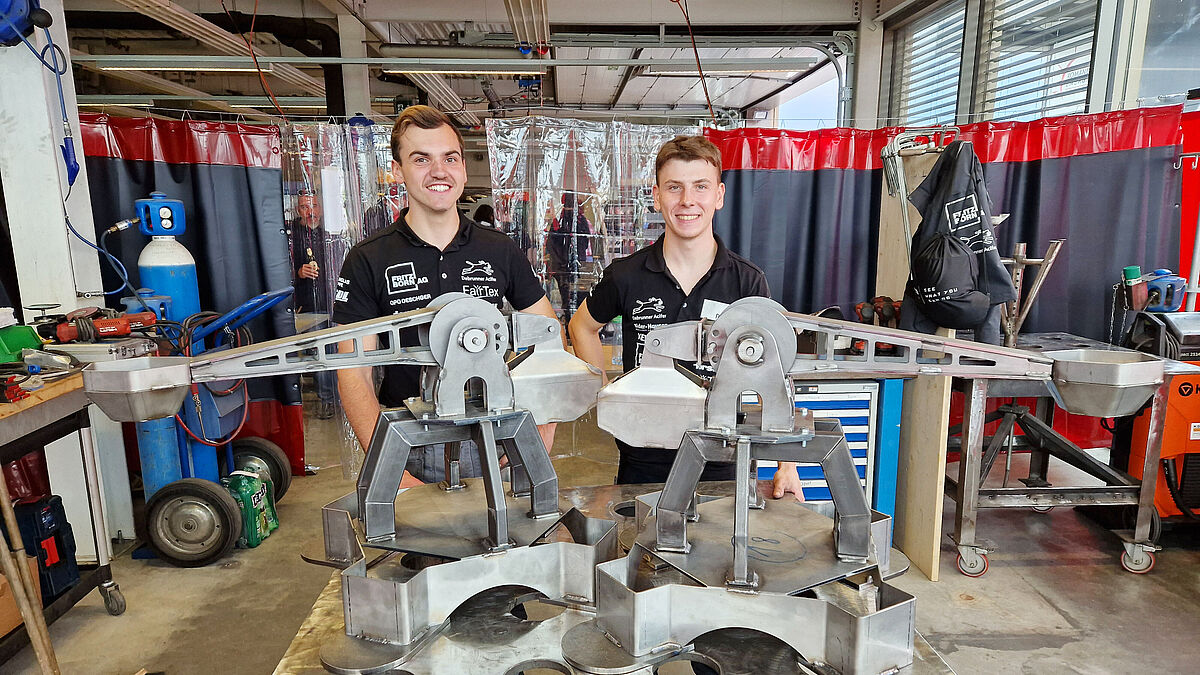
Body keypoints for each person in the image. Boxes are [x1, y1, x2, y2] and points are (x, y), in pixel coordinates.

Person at [332, 105, 559, 488]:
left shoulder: (499, 250)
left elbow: (549, 338)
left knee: (511, 543)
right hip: (408, 442)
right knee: (425, 548)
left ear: (463, 167)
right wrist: (390, 467)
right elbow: (352, 370)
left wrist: (543, 427)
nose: (439, 171)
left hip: (498, 432)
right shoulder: (369, 258)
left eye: (449, 158)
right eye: (421, 159)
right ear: (398, 169)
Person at [568, 135, 804, 501]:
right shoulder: (626, 274)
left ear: (719, 195)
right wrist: (605, 394)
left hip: (724, 455)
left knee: (721, 552)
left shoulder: (746, 280)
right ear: (657, 195)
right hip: (643, 453)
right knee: (641, 550)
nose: (687, 201)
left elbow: (773, 369)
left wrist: (786, 465)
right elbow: (582, 326)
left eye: (700, 187)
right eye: (674, 187)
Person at [289, 193, 337, 420]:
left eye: (314, 206)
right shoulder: (289, 235)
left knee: (342, 351)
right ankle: (327, 400)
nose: (310, 212)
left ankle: (343, 398)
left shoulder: (333, 232)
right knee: (319, 353)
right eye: (304, 207)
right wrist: (297, 273)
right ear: (297, 210)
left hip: (337, 302)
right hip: (307, 306)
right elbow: (277, 271)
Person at [547, 192, 593, 323]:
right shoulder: (579, 220)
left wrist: (561, 261)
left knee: (567, 299)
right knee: (576, 298)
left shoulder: (559, 221)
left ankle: (570, 325)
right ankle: (574, 325)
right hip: (573, 266)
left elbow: (551, 245)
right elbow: (584, 243)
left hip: (564, 267)